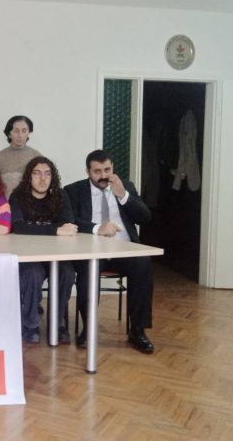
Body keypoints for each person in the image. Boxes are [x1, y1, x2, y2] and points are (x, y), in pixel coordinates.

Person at [64, 149, 155, 353]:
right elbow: (69, 220)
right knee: (89, 268)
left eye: (107, 170)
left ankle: (138, 330)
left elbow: (145, 218)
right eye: (97, 171)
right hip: (92, 250)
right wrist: (98, 228)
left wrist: (123, 196)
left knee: (143, 262)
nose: (103, 176)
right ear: (87, 171)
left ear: (112, 168)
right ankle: (88, 327)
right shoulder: (74, 190)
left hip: (124, 249)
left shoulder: (125, 187)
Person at [9, 157, 77, 344]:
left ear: (52, 177)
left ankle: (57, 322)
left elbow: (69, 224)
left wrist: (55, 229)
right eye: (37, 173)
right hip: (29, 256)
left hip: (56, 255)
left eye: (47, 174)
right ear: (29, 176)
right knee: (33, 274)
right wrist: (55, 230)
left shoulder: (60, 196)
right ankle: (31, 324)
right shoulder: (18, 196)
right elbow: (18, 227)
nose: (42, 179)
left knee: (67, 273)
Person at [0, 115, 43, 198]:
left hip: (30, 204)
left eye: (24, 131)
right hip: (4, 203)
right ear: (9, 134)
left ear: (29, 132)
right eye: (16, 131)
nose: (20, 135)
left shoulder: (37, 157)